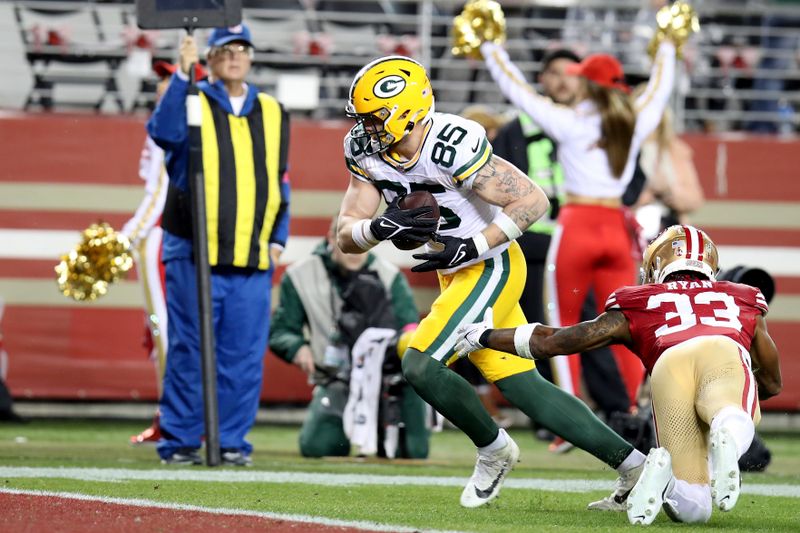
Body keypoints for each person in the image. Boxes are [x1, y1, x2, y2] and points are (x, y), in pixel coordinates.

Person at [336, 55, 648, 509]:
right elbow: (347, 231)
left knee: (420, 363)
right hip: (453, 274)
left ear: (408, 110)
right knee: (525, 387)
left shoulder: (449, 142)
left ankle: (493, 449)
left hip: (491, 265)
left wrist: (471, 247)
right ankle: (635, 468)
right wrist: (377, 229)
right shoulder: (365, 150)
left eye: (375, 116)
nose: (365, 127)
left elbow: (532, 200)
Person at [454, 224, 782, 524]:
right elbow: (771, 381)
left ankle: (667, 474)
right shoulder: (739, 296)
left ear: (656, 264)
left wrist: (484, 336)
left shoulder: (637, 300)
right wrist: (745, 396)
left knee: (693, 506)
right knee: (729, 411)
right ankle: (727, 434)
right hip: (721, 349)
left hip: (668, 366)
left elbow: (556, 341)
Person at [479, 12, 687, 410]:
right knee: (628, 323)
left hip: (576, 226)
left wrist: (491, 46)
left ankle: (567, 416)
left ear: (586, 84)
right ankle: (634, 412)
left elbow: (517, 90)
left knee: (563, 324)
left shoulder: (569, 121)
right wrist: (666, 45)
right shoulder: (633, 120)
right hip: (615, 227)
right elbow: (661, 87)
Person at [146, 24, 291, 466]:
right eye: (226, 49)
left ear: (251, 56)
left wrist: (278, 238)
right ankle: (182, 440)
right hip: (193, 250)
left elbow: (279, 179)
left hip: (252, 252)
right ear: (210, 56)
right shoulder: (189, 98)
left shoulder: (272, 110)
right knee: (190, 349)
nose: (235, 56)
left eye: (242, 48)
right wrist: (183, 75)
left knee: (244, 356)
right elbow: (163, 133)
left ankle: (231, 442)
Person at [491, 49, 633, 447]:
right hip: (538, 243)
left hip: (577, 236)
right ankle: (556, 416)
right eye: (553, 72)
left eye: (571, 73)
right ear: (542, 79)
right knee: (546, 329)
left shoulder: (601, 123)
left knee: (604, 325)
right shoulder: (520, 125)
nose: (563, 80)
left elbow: (631, 172)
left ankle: (619, 409)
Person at [269, 219, 429, 458]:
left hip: (389, 380)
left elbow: (411, 331)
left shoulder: (389, 276)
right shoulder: (300, 275)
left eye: (364, 242)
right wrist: (297, 347)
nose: (357, 250)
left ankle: (388, 431)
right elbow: (280, 331)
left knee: (413, 452)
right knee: (317, 446)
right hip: (337, 377)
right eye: (350, 241)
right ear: (331, 238)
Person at [127, 60, 207, 446]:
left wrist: (126, 238)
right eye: (162, 78)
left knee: (168, 331)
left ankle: (173, 415)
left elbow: (159, 195)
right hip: (161, 233)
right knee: (163, 330)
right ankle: (175, 413)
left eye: (171, 78)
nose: (162, 85)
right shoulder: (167, 120)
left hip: (162, 235)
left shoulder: (178, 124)